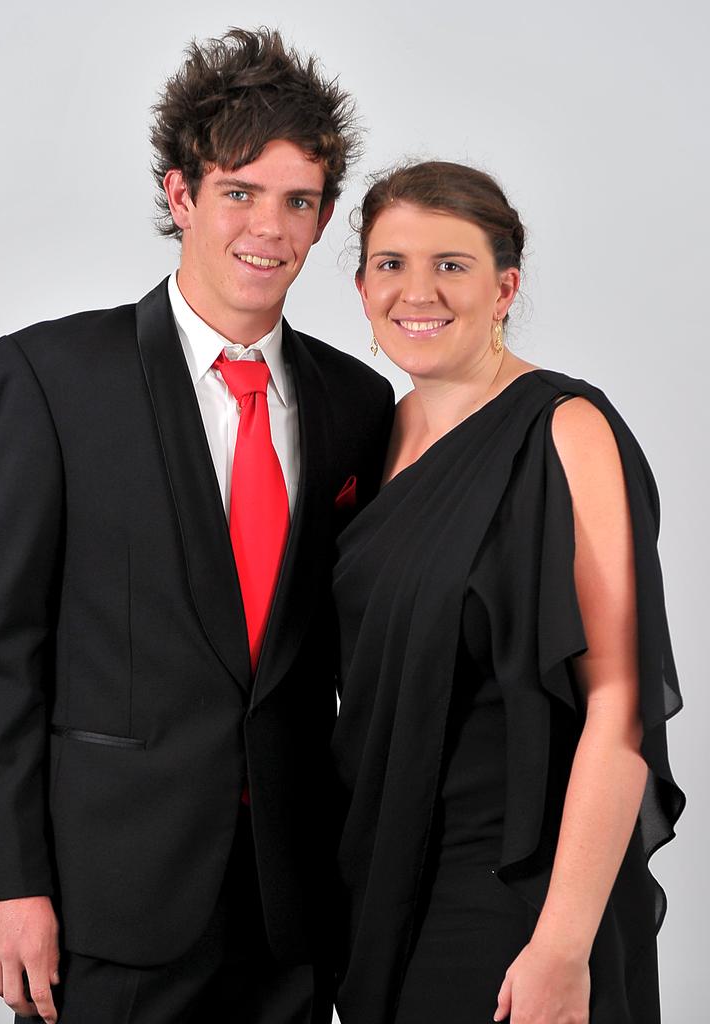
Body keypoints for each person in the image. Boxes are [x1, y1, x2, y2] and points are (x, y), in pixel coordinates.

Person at [0, 28, 394, 1024]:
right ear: (181, 194)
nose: (270, 228)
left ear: (323, 218)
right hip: (106, 905)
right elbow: (0, 657)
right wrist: (6, 878)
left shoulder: (357, 404)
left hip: (294, 906)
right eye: (240, 191)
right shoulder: (57, 379)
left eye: (299, 201)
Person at [331, 161, 684, 1024]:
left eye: (452, 264)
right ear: (361, 286)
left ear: (504, 287)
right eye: (391, 264)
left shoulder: (566, 428)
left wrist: (561, 947)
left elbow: (620, 706)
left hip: (512, 888)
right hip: (380, 875)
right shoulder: (374, 432)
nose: (419, 291)